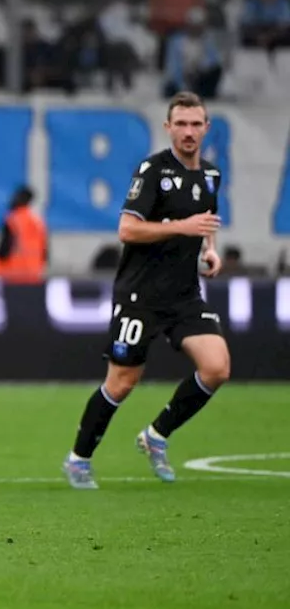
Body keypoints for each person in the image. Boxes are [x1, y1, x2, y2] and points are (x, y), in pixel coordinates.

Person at [63, 92, 228, 489]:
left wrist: (209, 252)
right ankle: (79, 459)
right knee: (121, 382)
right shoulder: (152, 171)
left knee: (217, 368)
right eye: (181, 124)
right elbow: (127, 229)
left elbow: (203, 226)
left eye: (196, 124)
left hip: (185, 294)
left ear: (206, 128)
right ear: (168, 127)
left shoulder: (210, 176)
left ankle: (156, 435)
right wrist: (180, 227)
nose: (188, 132)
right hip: (140, 295)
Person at [0, 185, 47, 284]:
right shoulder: (38, 221)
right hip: (34, 276)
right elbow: (45, 251)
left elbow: (4, 248)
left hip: (12, 276)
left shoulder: (12, 220)